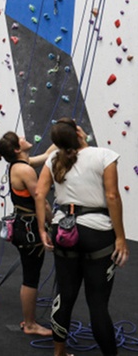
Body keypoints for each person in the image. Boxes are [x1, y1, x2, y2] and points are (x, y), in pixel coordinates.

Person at [34, 119, 128, 356]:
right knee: (97, 304)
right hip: (97, 232)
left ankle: (59, 352)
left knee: (64, 296)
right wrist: (120, 238)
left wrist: (43, 229)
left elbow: (39, 193)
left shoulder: (53, 159)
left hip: (64, 231)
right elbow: (112, 196)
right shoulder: (103, 155)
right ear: (78, 132)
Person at [0, 132, 57, 337]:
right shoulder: (25, 170)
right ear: (16, 149)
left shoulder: (21, 164)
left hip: (23, 226)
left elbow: (48, 155)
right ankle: (30, 324)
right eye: (19, 139)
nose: (24, 137)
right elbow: (42, 201)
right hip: (29, 229)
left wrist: (62, 135)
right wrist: (52, 223)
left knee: (31, 274)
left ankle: (29, 321)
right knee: (31, 276)